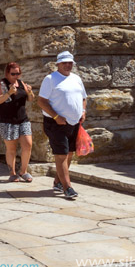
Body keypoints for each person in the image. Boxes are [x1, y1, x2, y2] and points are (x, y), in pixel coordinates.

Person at [37, 51, 87, 200]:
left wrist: (83, 111)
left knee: (70, 153)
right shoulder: (50, 79)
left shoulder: (76, 78)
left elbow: (83, 97)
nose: (67, 65)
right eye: (64, 62)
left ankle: (58, 181)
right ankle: (68, 187)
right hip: (55, 123)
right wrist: (56, 116)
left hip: (73, 122)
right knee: (61, 155)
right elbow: (41, 101)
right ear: (57, 64)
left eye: (70, 62)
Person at [0, 62, 35, 182]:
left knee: (28, 144)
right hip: (7, 120)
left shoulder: (21, 83)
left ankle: (23, 171)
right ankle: (12, 172)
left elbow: (30, 99)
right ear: (7, 73)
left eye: (18, 73)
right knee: (12, 148)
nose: (16, 76)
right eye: (13, 74)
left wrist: (30, 92)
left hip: (22, 119)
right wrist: (9, 93)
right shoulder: (2, 83)